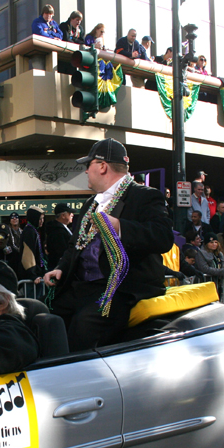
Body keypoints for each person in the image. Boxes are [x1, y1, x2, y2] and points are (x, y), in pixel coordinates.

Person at [43, 138, 173, 350]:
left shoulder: (145, 196)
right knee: (46, 316)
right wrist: (60, 269)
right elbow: (74, 245)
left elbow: (163, 237)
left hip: (121, 289)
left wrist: (120, 226)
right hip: (83, 287)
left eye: (89, 165)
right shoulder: (90, 203)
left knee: (83, 327)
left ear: (102, 166)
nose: (86, 171)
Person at [21, 207, 47, 288]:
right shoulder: (29, 231)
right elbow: (28, 255)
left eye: (43, 218)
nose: (42, 221)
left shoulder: (33, 230)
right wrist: (33, 275)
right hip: (33, 278)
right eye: (40, 219)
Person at [44, 203, 74, 271]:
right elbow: (61, 252)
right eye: (70, 213)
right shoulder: (57, 231)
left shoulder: (62, 228)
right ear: (63, 215)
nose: (72, 215)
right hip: (59, 268)